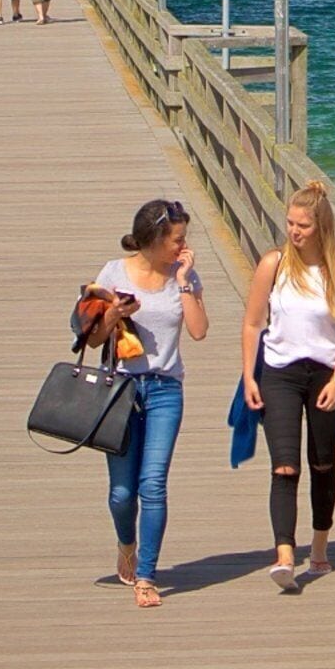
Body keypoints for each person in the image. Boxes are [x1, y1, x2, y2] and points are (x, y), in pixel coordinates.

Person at [240, 181, 335, 592]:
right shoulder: (273, 264)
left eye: (303, 226)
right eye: (290, 223)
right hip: (280, 373)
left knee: (322, 463)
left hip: (325, 373)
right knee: (285, 465)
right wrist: (249, 376)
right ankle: (284, 555)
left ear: (321, 228)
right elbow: (253, 324)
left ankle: (320, 547)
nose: (294, 231)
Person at [92, 200, 208, 607]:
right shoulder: (113, 273)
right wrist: (113, 314)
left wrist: (184, 282)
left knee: (153, 484)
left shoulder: (183, 275)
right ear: (155, 240)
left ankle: (146, 576)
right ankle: (127, 543)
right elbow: (90, 337)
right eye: (177, 240)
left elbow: (199, 331)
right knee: (122, 493)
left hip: (164, 390)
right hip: (121, 390)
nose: (183, 247)